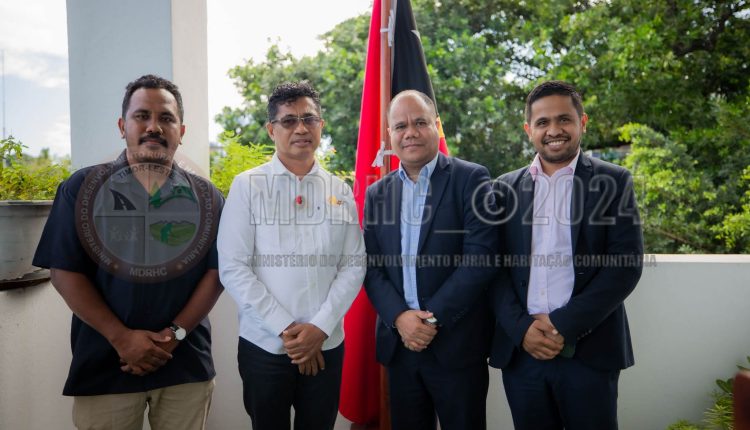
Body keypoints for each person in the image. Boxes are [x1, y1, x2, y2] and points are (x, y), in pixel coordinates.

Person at [32, 74, 224, 430]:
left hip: (184, 366)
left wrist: (174, 336)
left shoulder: (208, 198)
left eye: (166, 118)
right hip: (106, 365)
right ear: (123, 126)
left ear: (181, 131)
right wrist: (122, 339)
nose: (154, 127)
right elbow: (64, 272)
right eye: (142, 116)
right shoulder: (81, 188)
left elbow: (216, 274)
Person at [489, 80, 644, 430]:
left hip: (590, 352)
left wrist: (563, 324)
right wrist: (522, 329)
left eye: (564, 119)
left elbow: (625, 265)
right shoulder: (503, 188)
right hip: (523, 353)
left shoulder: (614, 181)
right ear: (528, 130)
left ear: (582, 122)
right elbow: (492, 269)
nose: (554, 130)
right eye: (542, 122)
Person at [217, 81, 366, 430]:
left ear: (321, 126)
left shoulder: (340, 191)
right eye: (288, 121)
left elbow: (354, 264)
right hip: (265, 346)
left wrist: (319, 328)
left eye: (309, 119)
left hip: (326, 344)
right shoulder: (248, 186)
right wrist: (288, 329)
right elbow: (234, 267)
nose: (301, 128)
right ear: (272, 130)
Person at [363, 90, 498, 430]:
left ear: (436, 126)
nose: (410, 132)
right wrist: (400, 319)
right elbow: (371, 266)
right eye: (401, 126)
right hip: (401, 347)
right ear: (390, 135)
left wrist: (430, 320)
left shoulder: (471, 178)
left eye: (420, 122)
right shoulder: (377, 193)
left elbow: (481, 259)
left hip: (457, 346)